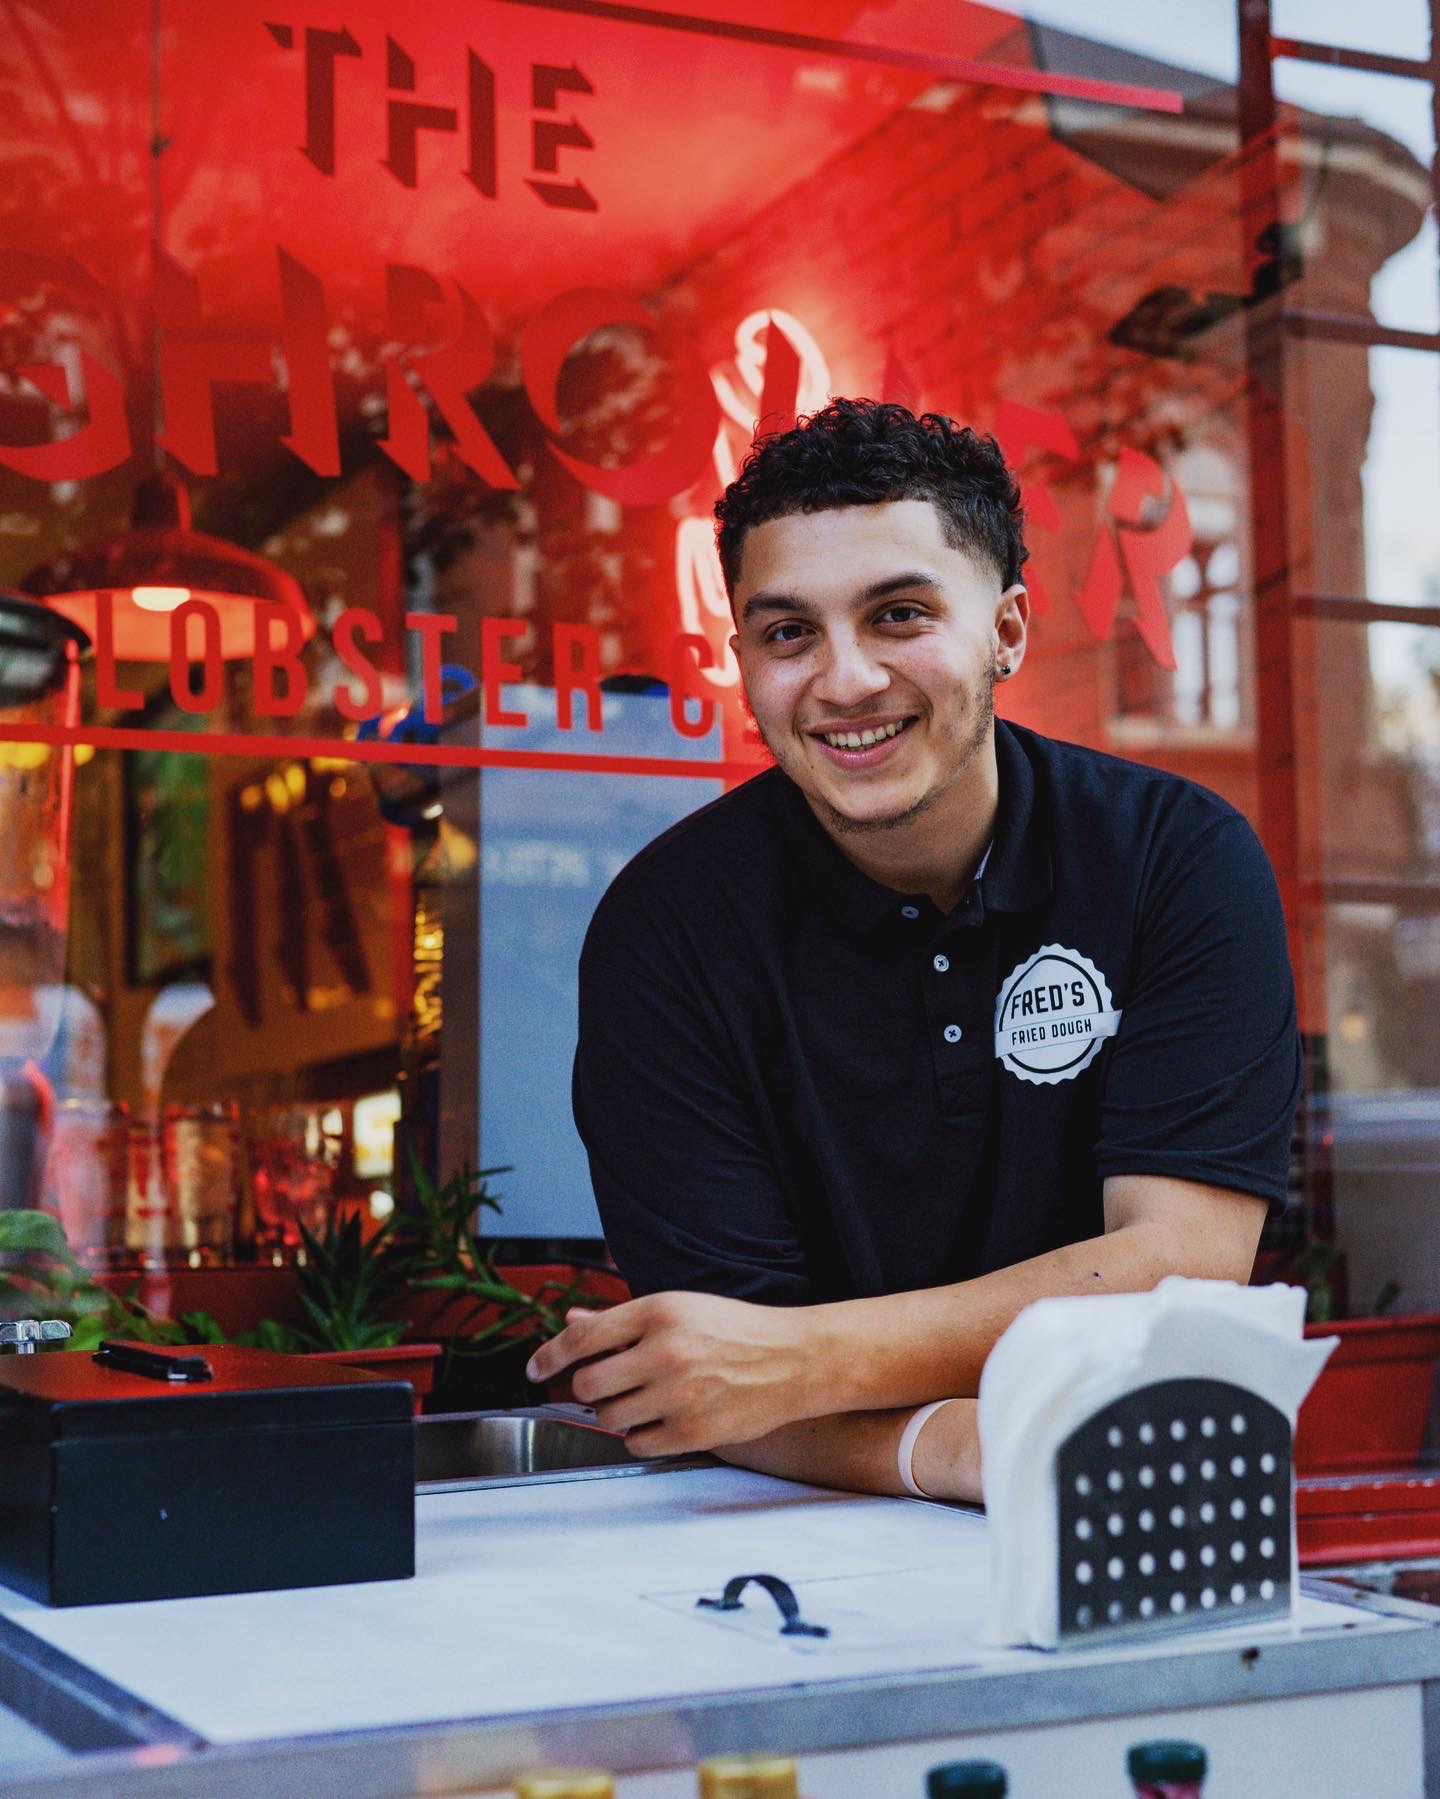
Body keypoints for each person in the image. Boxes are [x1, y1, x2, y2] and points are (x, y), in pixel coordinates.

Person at [527, 399, 1300, 1504]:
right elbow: (711, 1378)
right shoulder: (667, 930)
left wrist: (804, 1362)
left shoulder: (1172, 859)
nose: (844, 680)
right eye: (789, 631)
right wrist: (949, 1445)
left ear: (1009, 631)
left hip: (1133, 1504)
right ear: (742, 656)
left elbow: (1180, 1261)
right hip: (778, 1537)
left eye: (898, 614)